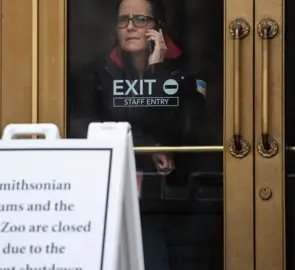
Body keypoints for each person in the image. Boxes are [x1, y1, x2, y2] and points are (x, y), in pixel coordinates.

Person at [67, 0, 207, 268]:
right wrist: (146, 144)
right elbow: (84, 126)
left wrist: (157, 74)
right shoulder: (97, 73)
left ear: (159, 28)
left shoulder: (186, 73)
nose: (130, 27)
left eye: (141, 20)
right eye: (123, 20)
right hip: (118, 192)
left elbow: (191, 130)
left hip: (178, 195)